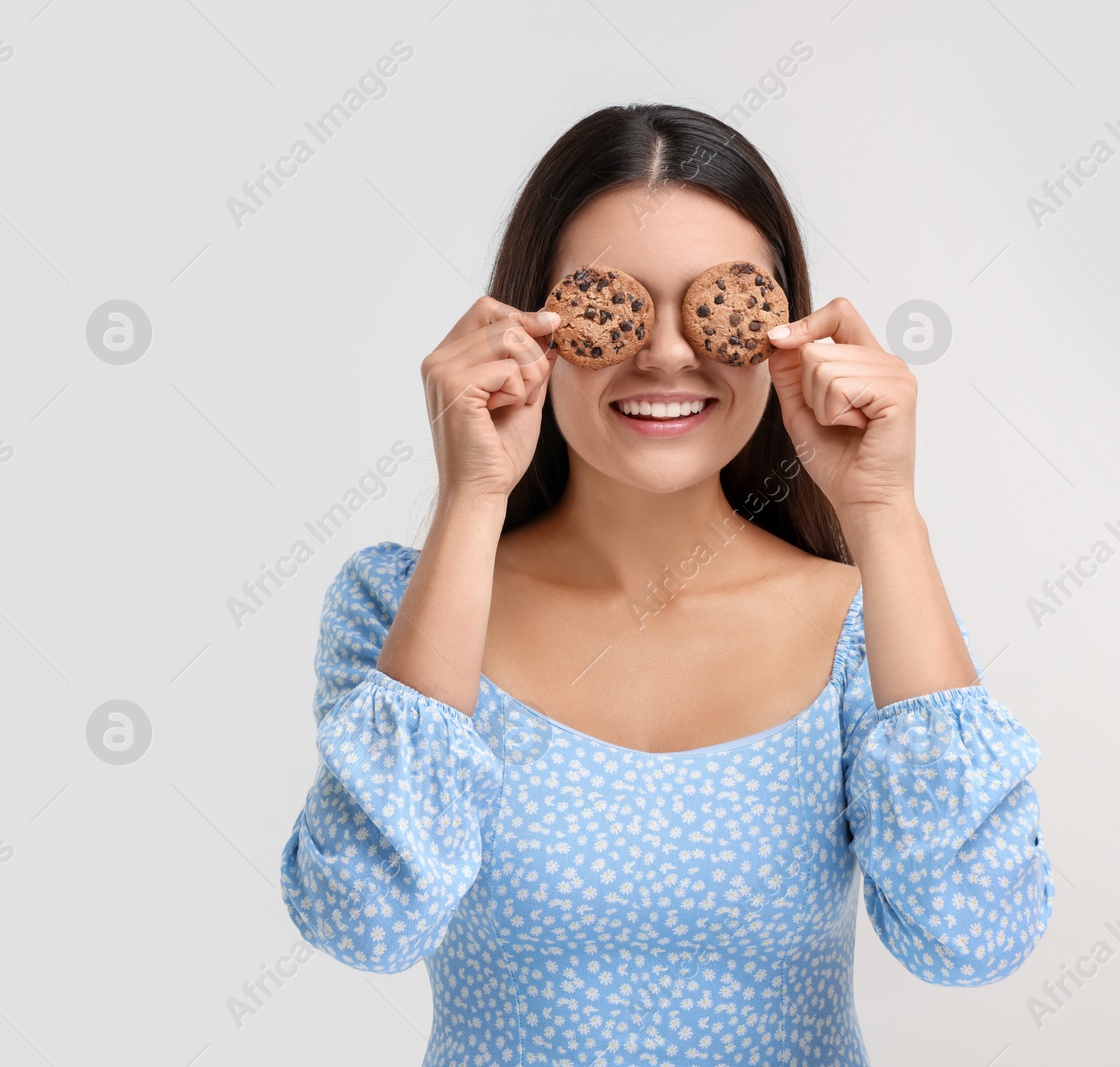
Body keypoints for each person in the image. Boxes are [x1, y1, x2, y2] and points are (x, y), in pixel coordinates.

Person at [277, 103, 1053, 1066]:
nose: (669, 351)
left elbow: (974, 940)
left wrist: (883, 512)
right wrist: (471, 497)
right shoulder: (402, 607)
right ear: (531, 327)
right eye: (620, 303)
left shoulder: (863, 628)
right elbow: (364, 923)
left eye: (715, 306)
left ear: (787, 330)